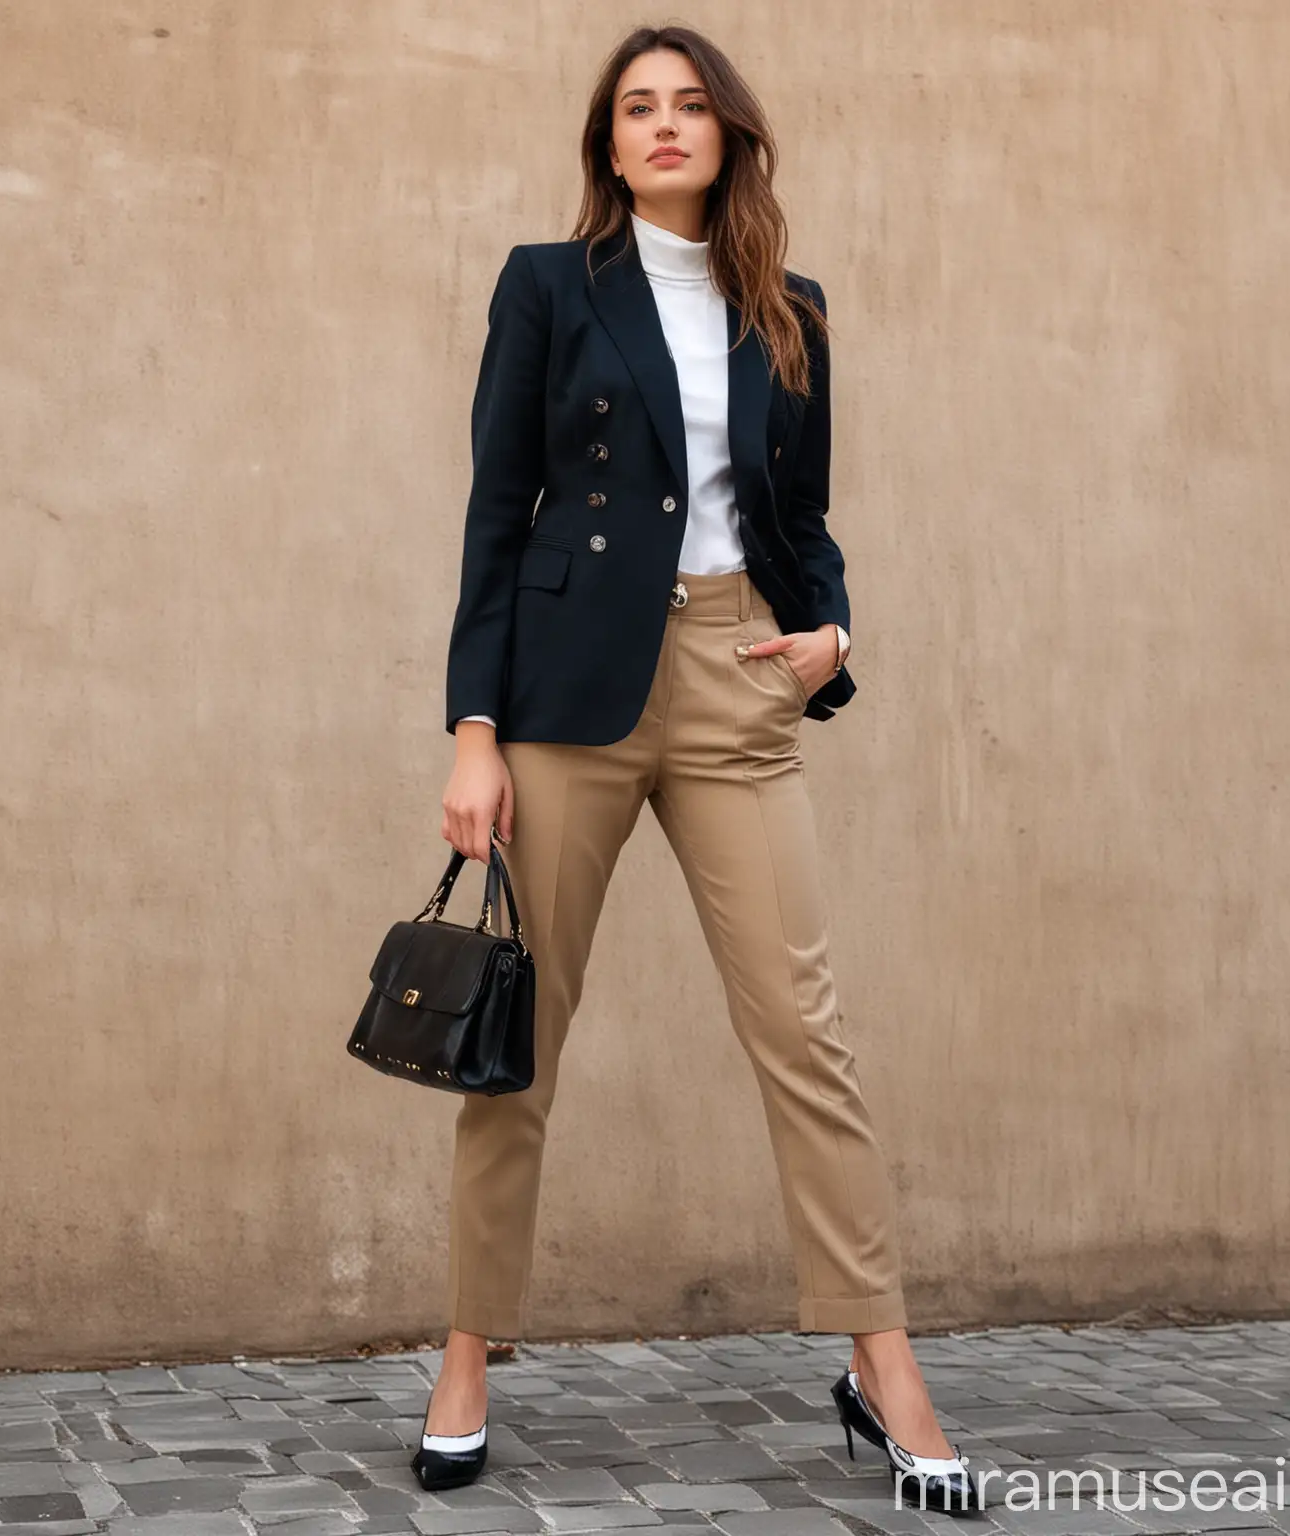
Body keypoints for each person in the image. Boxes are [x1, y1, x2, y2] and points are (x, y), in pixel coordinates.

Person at [416, 23, 979, 1518]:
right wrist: (473, 727)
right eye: (635, 110)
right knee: (518, 1046)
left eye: (688, 107)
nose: (663, 127)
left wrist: (829, 635)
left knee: (806, 1032)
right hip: (567, 693)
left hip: (737, 678)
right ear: (607, 145)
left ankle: (884, 1363)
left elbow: (802, 517)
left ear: (729, 135)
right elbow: (497, 508)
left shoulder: (787, 308)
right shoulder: (550, 285)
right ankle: (467, 1357)